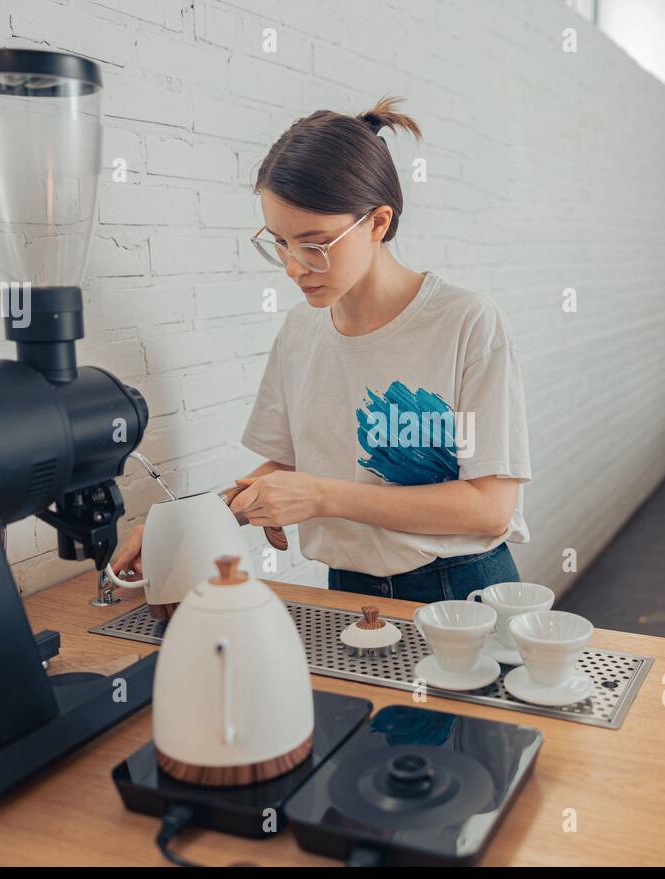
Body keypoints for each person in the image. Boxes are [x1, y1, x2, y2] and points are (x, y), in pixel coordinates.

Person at [111, 96, 531, 603]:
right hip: (348, 588)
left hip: (463, 588)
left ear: (378, 223)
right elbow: (287, 472)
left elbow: (489, 508)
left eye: (315, 245)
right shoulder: (300, 331)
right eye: (280, 243)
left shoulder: (466, 322)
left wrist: (323, 495)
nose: (293, 267)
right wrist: (177, 528)